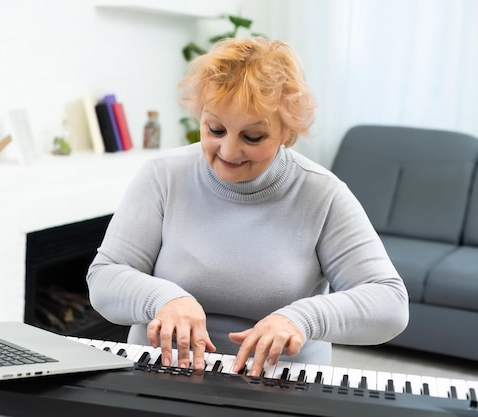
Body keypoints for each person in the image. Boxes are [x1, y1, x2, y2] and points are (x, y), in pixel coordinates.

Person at [86, 37, 409, 377]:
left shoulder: (322, 194)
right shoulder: (163, 176)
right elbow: (105, 277)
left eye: (252, 137)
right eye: (215, 129)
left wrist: (301, 319)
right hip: (160, 375)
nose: (228, 151)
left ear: (287, 132)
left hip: (277, 383)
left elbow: (390, 304)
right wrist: (163, 299)